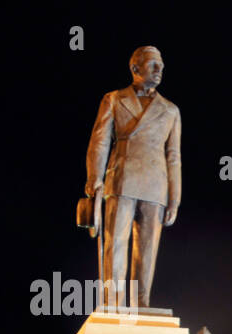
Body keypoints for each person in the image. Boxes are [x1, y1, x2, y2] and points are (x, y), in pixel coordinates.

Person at [84, 46, 182, 308]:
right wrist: (94, 179)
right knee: (115, 244)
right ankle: (113, 304)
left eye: (161, 65)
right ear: (135, 69)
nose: (159, 70)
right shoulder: (114, 99)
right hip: (121, 179)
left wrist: (175, 198)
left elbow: (173, 157)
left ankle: (141, 304)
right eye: (152, 64)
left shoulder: (171, 110)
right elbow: (100, 142)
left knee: (147, 251)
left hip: (156, 184)